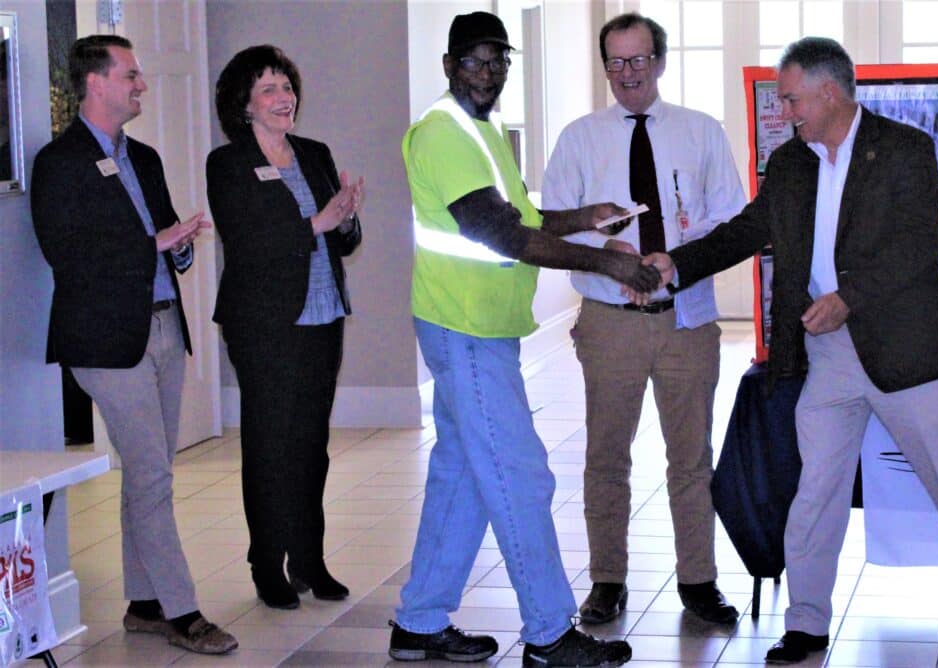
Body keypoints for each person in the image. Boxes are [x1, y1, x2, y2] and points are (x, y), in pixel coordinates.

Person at [644, 37, 938, 664]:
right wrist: (676, 266)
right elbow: (746, 230)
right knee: (815, 491)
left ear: (828, 92)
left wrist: (848, 297)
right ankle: (807, 623)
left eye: (792, 99)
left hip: (904, 351)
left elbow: (916, 245)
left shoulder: (904, 148)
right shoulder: (790, 164)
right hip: (827, 355)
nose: (784, 111)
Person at [390, 11, 660, 667]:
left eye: (498, 62)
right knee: (520, 476)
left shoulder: (480, 131)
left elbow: (527, 217)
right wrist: (608, 263)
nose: (488, 73)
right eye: (474, 61)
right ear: (450, 66)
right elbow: (503, 235)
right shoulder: (444, 133)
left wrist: (588, 218)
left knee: (461, 476)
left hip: (478, 326)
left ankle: (419, 622)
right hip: (465, 328)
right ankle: (547, 635)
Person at [30, 35, 237, 655]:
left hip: (164, 326)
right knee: (151, 475)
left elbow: (164, 233)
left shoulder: (142, 157)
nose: (142, 84)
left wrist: (179, 245)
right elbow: (65, 254)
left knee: (150, 474)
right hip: (104, 339)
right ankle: (183, 612)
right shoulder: (59, 162)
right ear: (95, 82)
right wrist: (153, 244)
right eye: (131, 75)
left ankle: (144, 603)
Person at [541, 12, 746, 626]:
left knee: (691, 458)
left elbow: (731, 220)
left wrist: (674, 261)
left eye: (638, 60)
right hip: (610, 322)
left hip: (686, 318)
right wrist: (607, 251)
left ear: (659, 61)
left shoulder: (701, 131)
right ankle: (607, 580)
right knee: (607, 457)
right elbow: (550, 224)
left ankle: (699, 581)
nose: (628, 73)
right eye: (616, 62)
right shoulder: (579, 138)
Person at [206, 45, 363, 610]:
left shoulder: (314, 153)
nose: (283, 97)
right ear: (244, 104)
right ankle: (266, 564)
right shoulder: (228, 164)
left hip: (323, 315)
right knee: (269, 444)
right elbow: (248, 244)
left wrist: (346, 218)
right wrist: (318, 222)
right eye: (268, 88)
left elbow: (343, 240)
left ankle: (309, 560)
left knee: (311, 445)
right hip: (264, 324)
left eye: (287, 87)